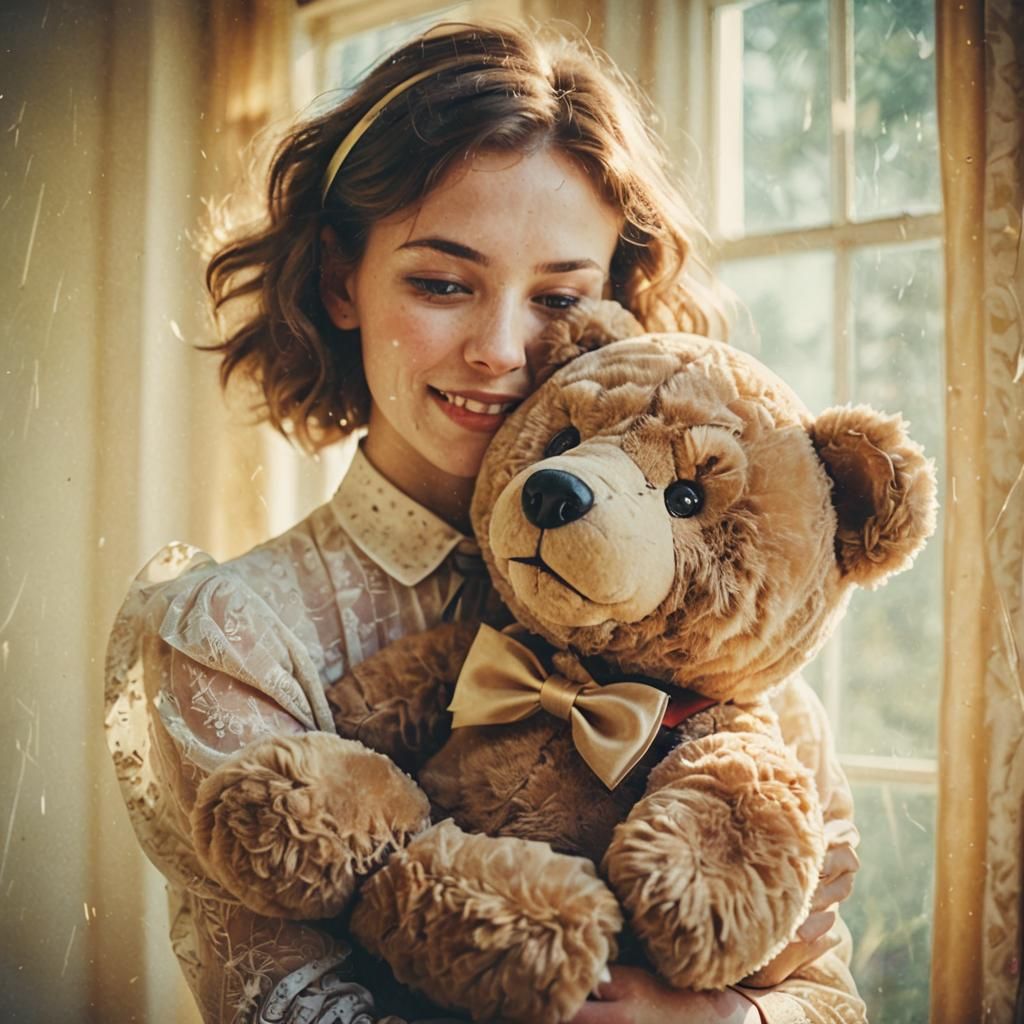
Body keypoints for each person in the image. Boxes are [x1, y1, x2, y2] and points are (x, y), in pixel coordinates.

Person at [104, 20, 864, 1024]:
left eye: (557, 297)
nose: (501, 350)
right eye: (443, 283)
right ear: (342, 280)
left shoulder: (710, 599)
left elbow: (829, 990)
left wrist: (720, 1017)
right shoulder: (229, 634)